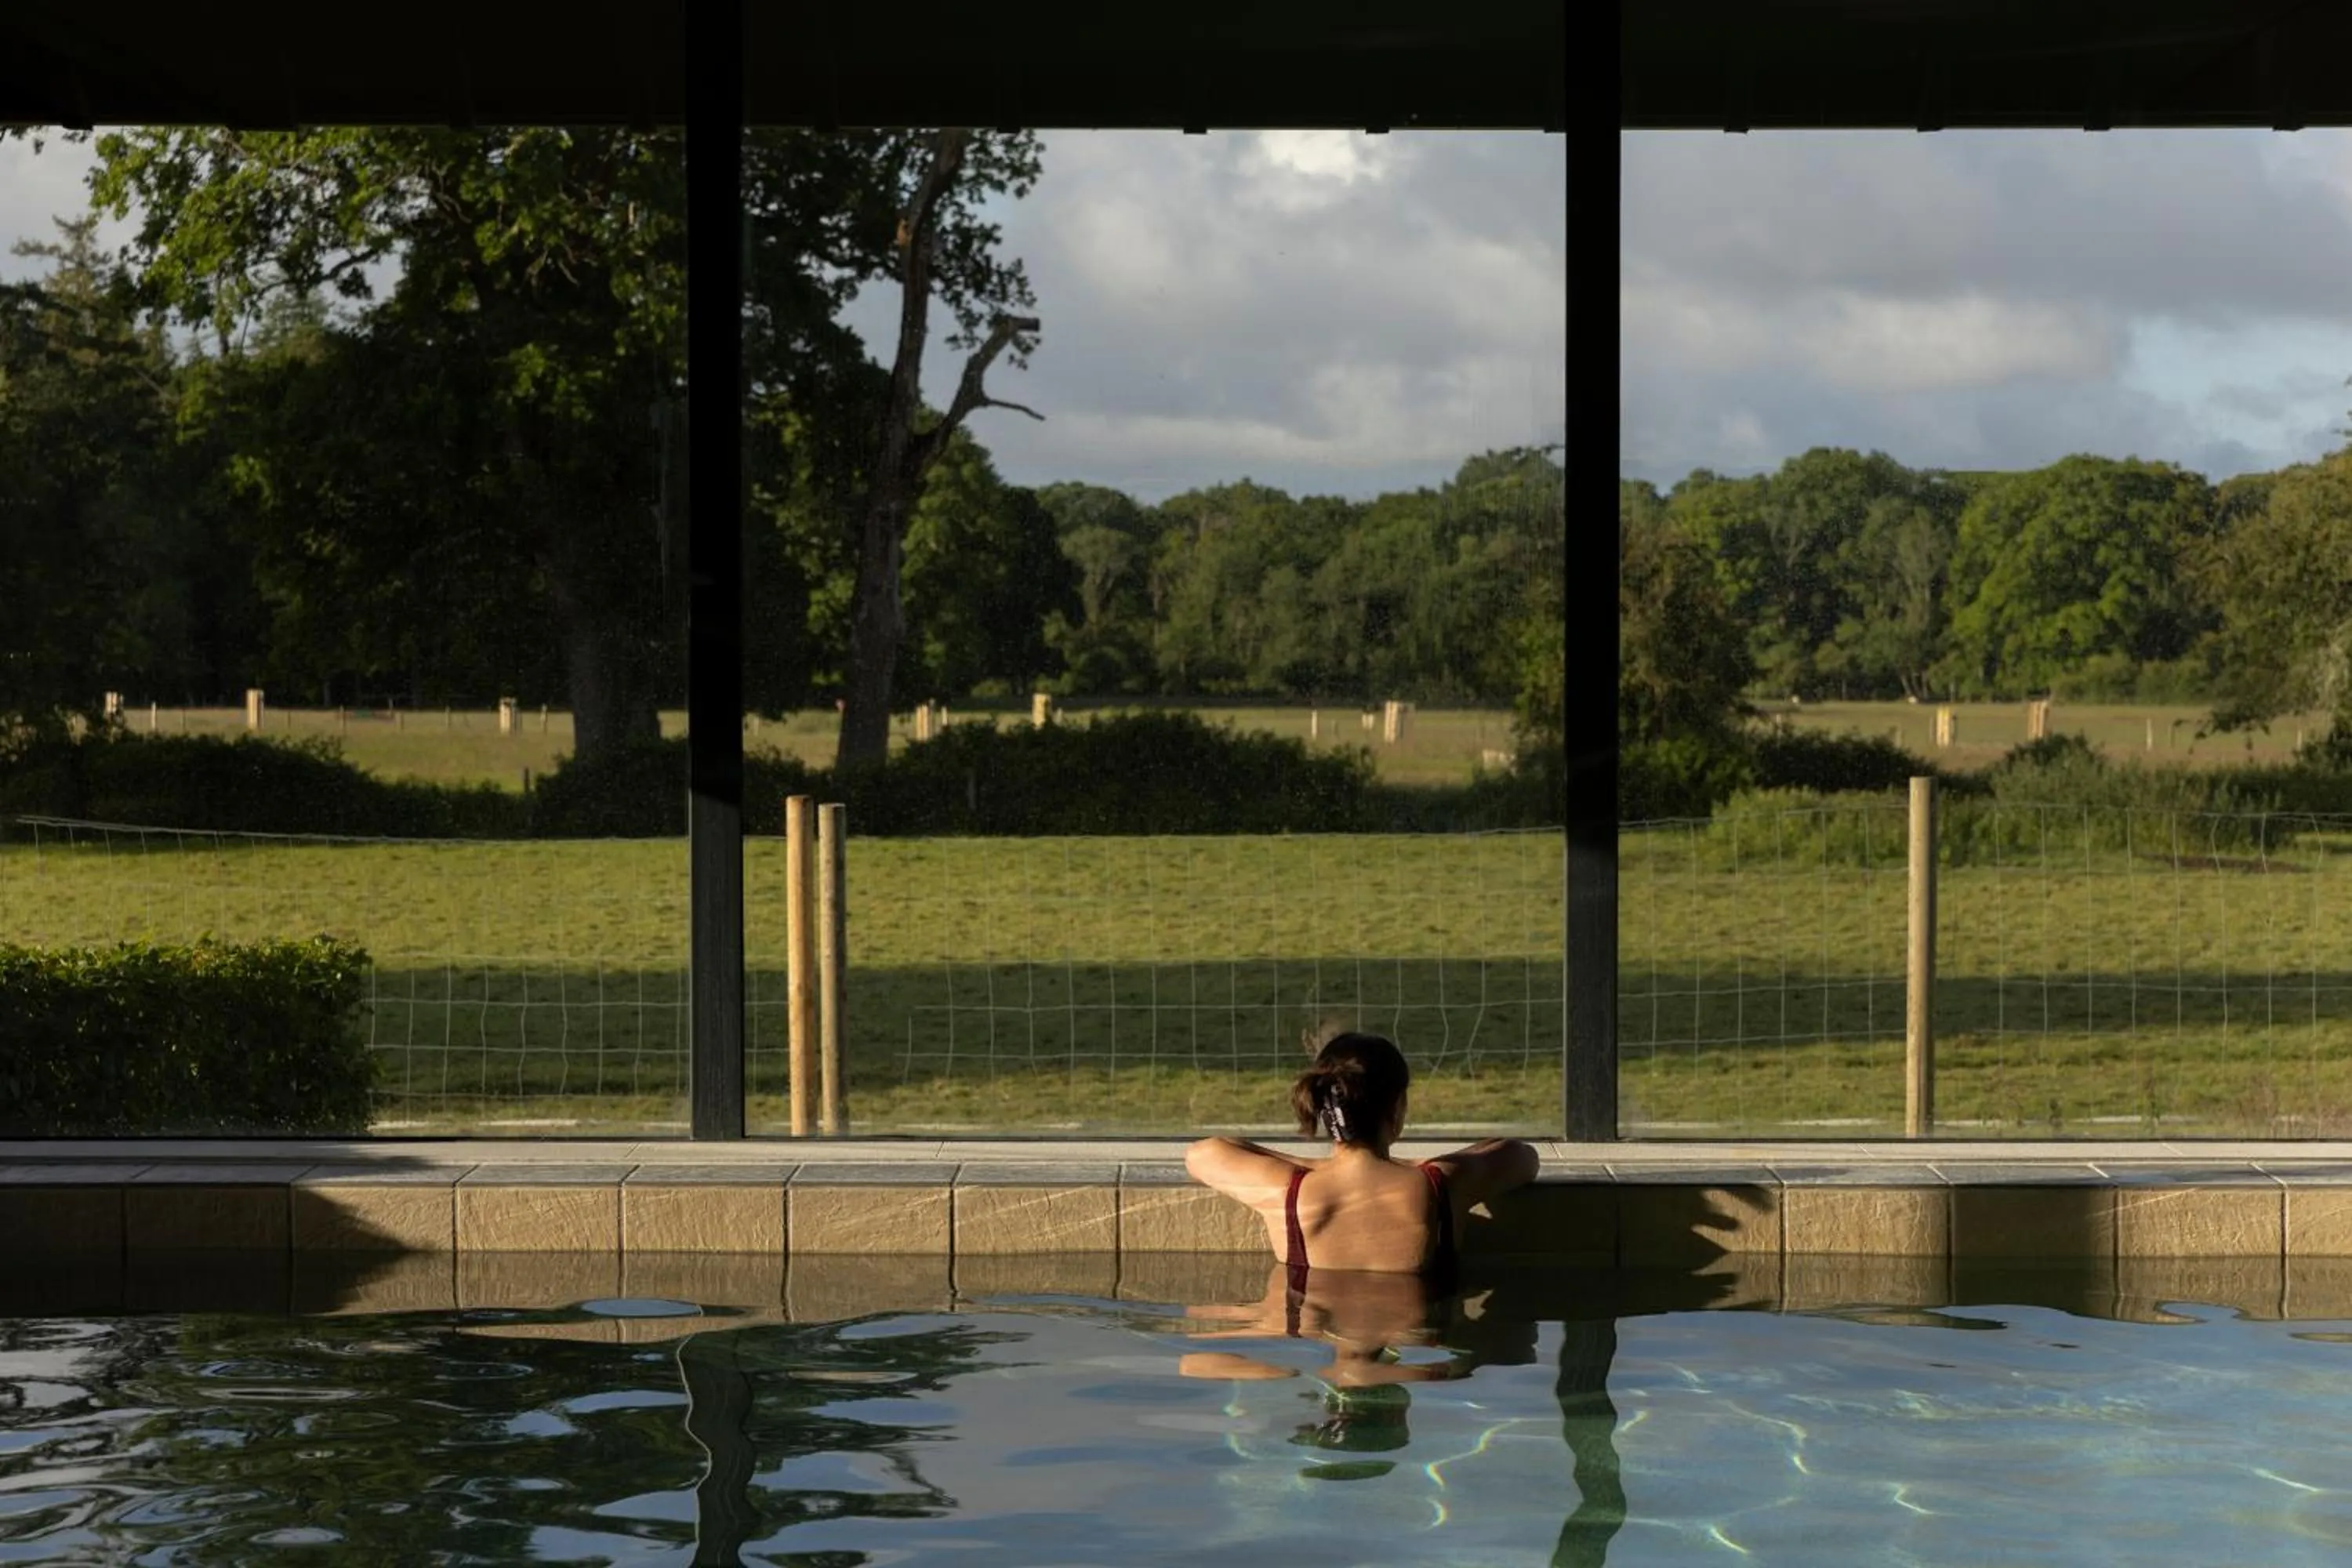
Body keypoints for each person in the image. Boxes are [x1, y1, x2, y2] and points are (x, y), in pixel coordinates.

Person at [1184, 1029, 1539, 1279]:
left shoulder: (1288, 1191)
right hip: (1425, 1354)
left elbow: (1202, 1154)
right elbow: (1523, 1156)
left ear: (1323, 1108)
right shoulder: (1440, 1184)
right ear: (1398, 1107)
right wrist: (1420, 1165)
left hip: (1305, 1328)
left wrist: (1320, 1167)